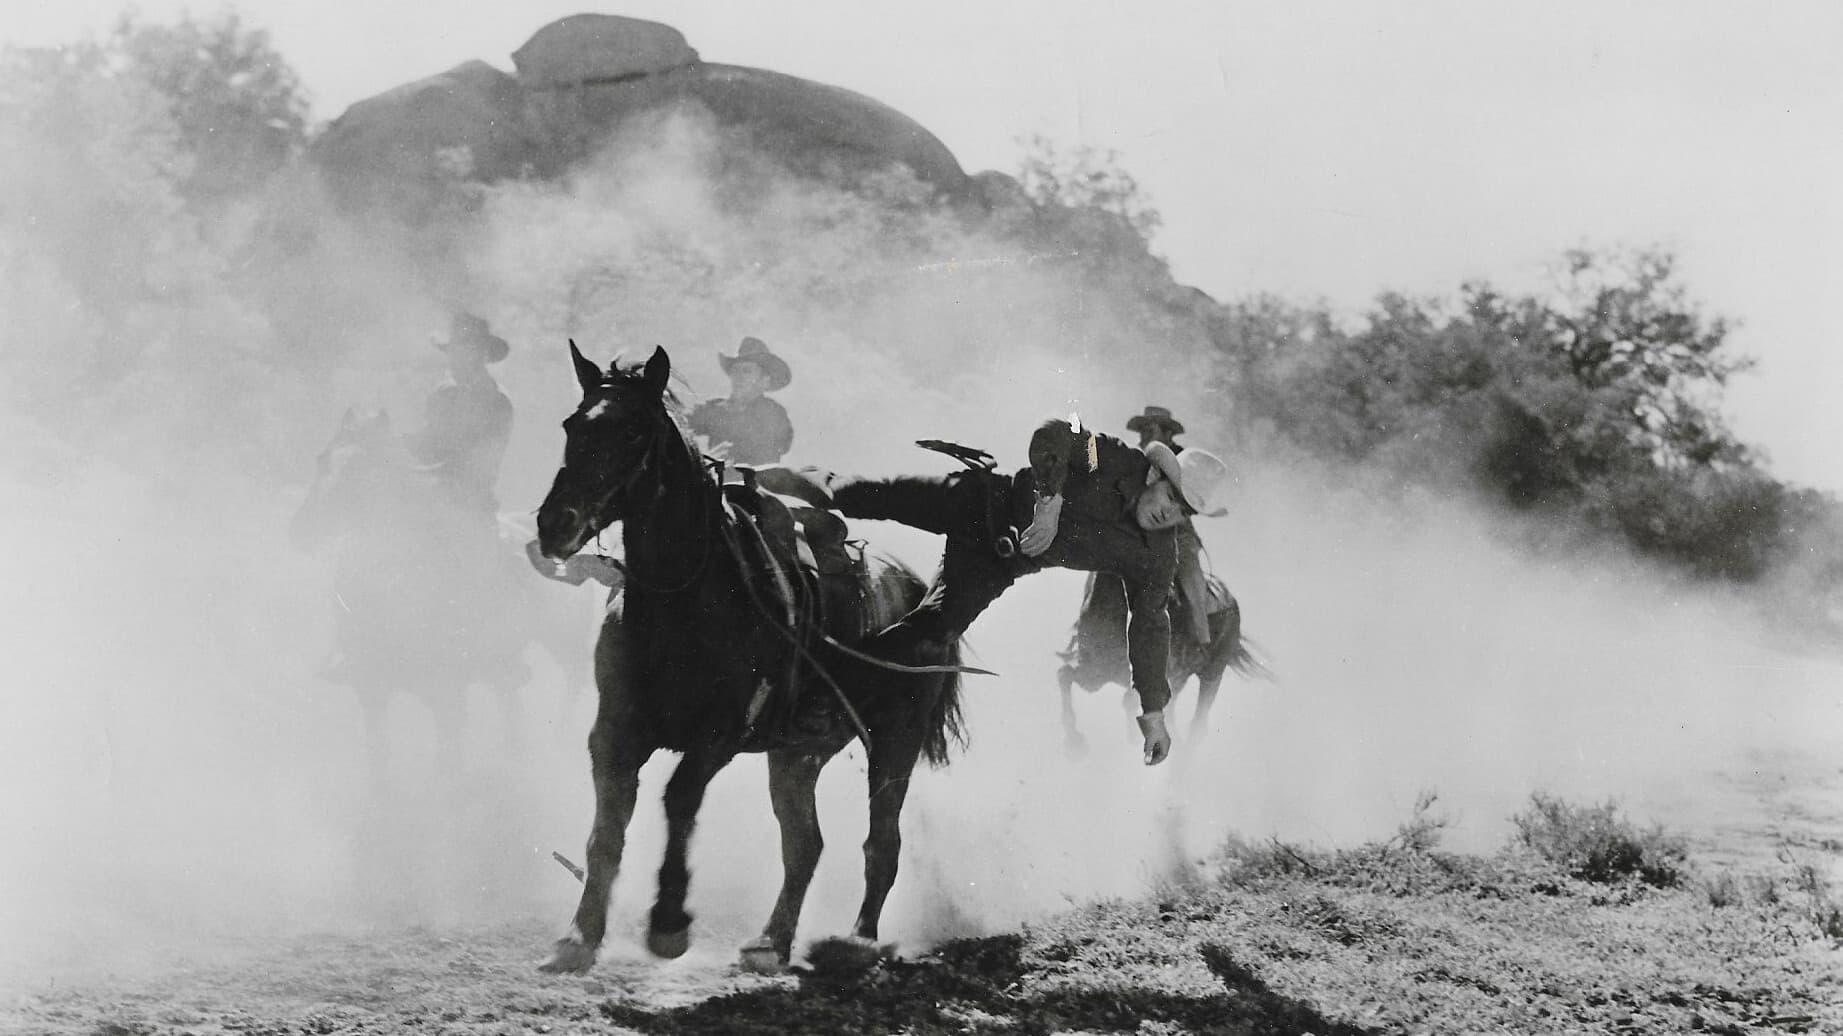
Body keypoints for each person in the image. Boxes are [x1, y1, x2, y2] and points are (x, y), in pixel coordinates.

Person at [761, 415, 1220, 766]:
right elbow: (1056, 432)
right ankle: (757, 477)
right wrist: (1050, 503)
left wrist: (1154, 713)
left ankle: (820, 693)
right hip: (977, 502)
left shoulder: (1156, 555)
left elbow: (1151, 625)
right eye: (1171, 499)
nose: (1170, 515)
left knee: (931, 635)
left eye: (1183, 513)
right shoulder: (1117, 457)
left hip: (995, 562)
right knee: (865, 495)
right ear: (1157, 477)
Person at [408, 312, 514, 522]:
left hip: (470, 508)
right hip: (428, 499)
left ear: (481, 356)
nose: (454, 360)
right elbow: (427, 441)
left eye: (464, 353)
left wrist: (431, 473)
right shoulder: (443, 394)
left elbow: (480, 465)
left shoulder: (498, 403)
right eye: (453, 353)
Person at [687, 336, 794, 467]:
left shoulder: (773, 412)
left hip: (758, 482)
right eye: (735, 371)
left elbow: (780, 444)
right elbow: (685, 421)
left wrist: (729, 453)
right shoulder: (715, 409)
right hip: (718, 479)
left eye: (746, 371)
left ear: (764, 381)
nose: (739, 377)